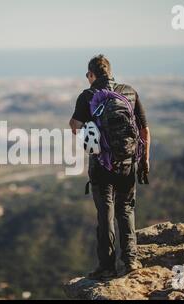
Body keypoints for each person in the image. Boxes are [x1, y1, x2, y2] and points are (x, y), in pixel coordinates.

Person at [69, 55, 151, 279]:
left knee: (105, 214)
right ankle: (131, 261)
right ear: (111, 72)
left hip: (102, 166)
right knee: (126, 210)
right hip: (128, 163)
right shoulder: (129, 92)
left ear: (91, 75)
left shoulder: (87, 96)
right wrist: (144, 161)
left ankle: (107, 267)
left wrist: (89, 130)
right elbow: (144, 130)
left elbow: (74, 126)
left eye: (88, 75)